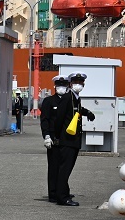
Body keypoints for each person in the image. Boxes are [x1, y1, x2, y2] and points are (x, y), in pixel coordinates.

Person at [51, 72, 95, 206]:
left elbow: (77, 110)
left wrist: (87, 113)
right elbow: (59, 118)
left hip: (73, 140)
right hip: (67, 139)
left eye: (80, 82)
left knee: (66, 168)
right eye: (76, 82)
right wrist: (57, 136)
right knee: (64, 169)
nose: (78, 84)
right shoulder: (67, 97)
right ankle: (62, 198)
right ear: (70, 84)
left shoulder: (75, 97)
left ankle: (63, 193)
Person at [40, 75, 69, 204]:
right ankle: (52, 193)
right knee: (53, 167)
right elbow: (45, 120)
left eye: (64, 85)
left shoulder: (69, 101)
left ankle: (62, 191)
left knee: (64, 167)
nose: (61, 88)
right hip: (53, 138)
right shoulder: (49, 101)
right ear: (55, 87)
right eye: (59, 85)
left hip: (66, 139)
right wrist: (46, 136)